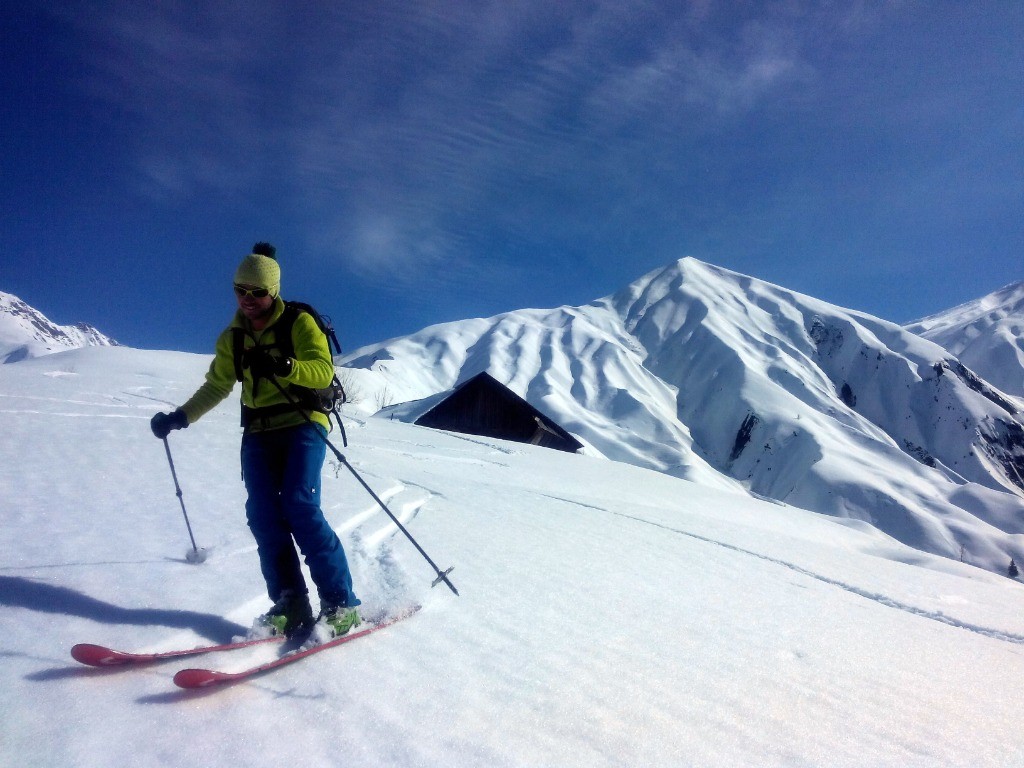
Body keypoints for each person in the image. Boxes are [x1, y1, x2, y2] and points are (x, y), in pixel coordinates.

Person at [151, 243, 360, 640]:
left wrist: (284, 365)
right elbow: (216, 385)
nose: (247, 299)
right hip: (258, 433)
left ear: (273, 291)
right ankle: (290, 602)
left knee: (299, 505)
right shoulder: (233, 337)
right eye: (239, 290)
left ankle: (341, 604)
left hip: (303, 423)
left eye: (257, 292)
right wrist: (180, 417)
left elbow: (321, 371)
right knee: (264, 515)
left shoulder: (298, 322)